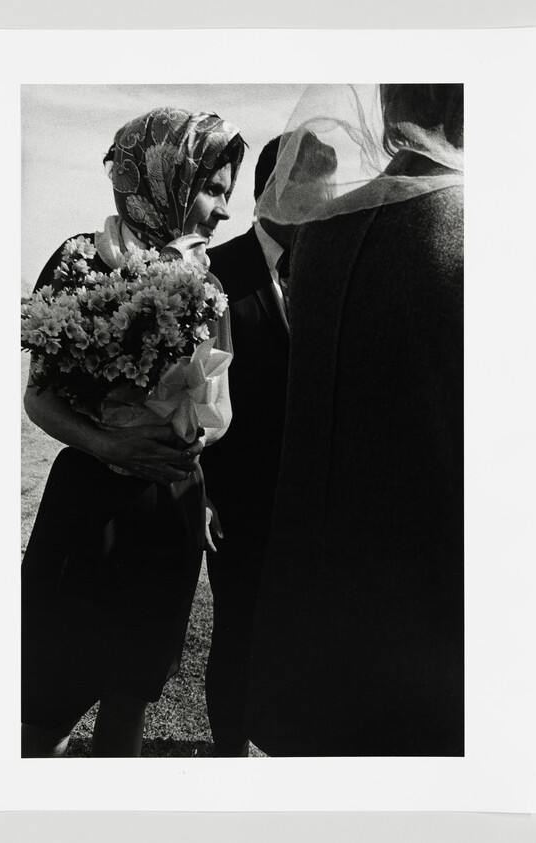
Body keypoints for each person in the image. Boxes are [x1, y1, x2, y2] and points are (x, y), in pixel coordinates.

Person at [246, 84, 465, 756]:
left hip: (319, 609)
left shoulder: (320, 236)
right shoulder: (485, 227)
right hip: (434, 619)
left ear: (389, 103)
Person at [21, 107, 245, 758]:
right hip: (90, 508)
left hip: (169, 513)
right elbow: (39, 395)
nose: (223, 212)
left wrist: (198, 462)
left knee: (132, 696)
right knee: (44, 704)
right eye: (213, 190)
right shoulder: (79, 260)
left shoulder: (209, 284)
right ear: (164, 176)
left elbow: (216, 399)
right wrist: (112, 444)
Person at [202, 133, 336, 757]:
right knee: (235, 633)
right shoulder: (213, 273)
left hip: (311, 501)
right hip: (237, 503)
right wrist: (202, 492)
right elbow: (193, 397)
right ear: (273, 191)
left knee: (306, 637)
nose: (329, 201)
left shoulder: (333, 275)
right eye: (317, 185)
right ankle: (228, 762)